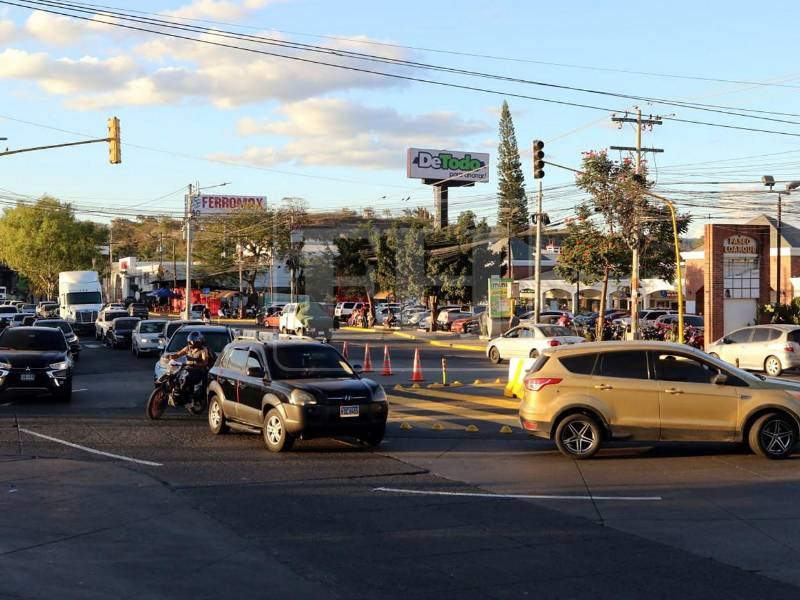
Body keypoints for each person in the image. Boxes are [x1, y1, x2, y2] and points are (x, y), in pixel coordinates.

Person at [166, 331, 214, 404]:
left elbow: (205, 362)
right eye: (190, 341)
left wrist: (195, 362)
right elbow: (178, 354)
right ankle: (176, 393)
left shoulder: (203, 350)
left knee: (186, 378)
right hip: (188, 368)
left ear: (198, 341)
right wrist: (171, 356)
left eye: (192, 341)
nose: (191, 343)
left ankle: (187, 397)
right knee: (176, 376)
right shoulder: (188, 348)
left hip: (198, 371)